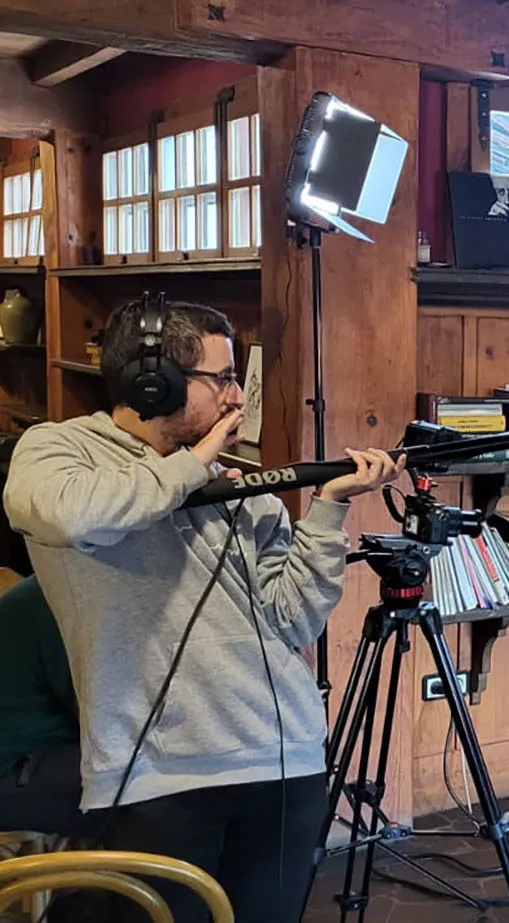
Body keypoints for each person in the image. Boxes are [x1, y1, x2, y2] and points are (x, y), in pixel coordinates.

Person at [2, 298, 404, 923]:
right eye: (223, 378)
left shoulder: (239, 485)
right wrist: (189, 469)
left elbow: (294, 617)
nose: (237, 398)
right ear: (152, 381)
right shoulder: (59, 452)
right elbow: (70, 517)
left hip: (286, 759)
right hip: (157, 774)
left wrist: (328, 509)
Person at [0, 575, 97, 840]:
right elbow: (99, 720)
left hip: (30, 754)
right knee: (146, 785)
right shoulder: (69, 599)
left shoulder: (57, 583)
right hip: (11, 769)